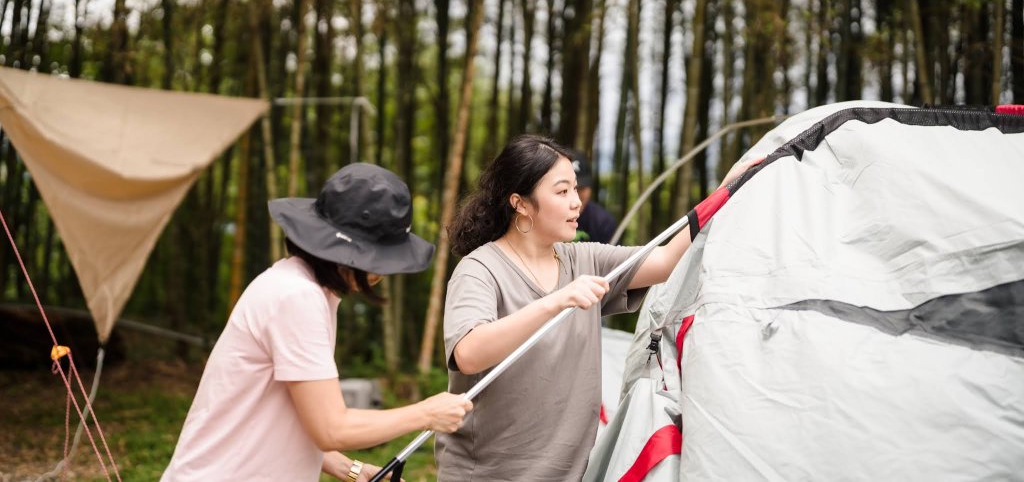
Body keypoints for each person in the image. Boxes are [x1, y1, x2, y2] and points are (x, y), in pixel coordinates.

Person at [435, 135, 756, 481]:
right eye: (561, 192)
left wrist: (726, 190)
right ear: (521, 204)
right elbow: (468, 353)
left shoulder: (583, 259)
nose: (576, 203)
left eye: (576, 190)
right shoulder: (480, 269)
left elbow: (663, 260)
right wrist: (556, 301)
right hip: (486, 475)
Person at [163, 163, 473, 482]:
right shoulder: (296, 297)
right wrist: (426, 413)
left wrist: (350, 469)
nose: (384, 272)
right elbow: (330, 428)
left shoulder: (305, 289)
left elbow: (298, 413)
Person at [569, 149, 618, 244]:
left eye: (581, 188)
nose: (576, 198)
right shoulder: (545, 219)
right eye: (564, 190)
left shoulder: (603, 222)